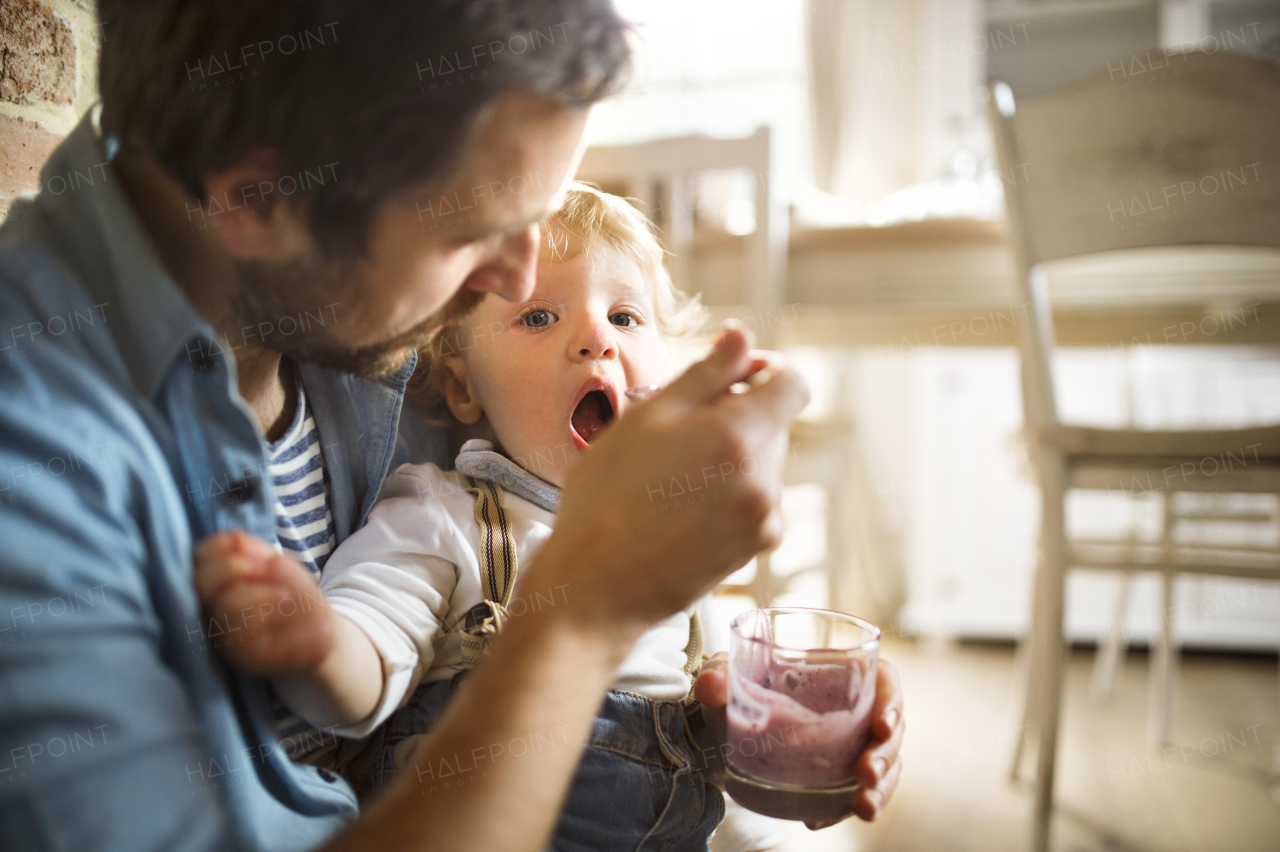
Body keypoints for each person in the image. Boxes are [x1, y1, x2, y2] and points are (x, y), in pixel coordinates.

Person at [0, 3, 904, 851]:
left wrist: (747, 724)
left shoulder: (363, 329)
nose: (516, 283)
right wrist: (587, 608)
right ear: (259, 201)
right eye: (474, 234)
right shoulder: (33, 475)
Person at [195, 183, 785, 851]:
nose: (597, 339)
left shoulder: (675, 533)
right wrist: (316, 645)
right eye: (539, 318)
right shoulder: (444, 513)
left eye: (625, 317)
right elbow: (369, 656)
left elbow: (706, 705)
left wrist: (760, 723)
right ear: (462, 388)